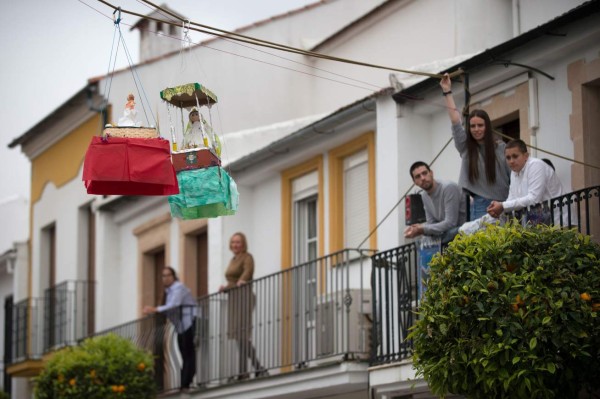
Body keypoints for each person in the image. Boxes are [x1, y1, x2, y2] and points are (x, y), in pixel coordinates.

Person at [440, 74, 511, 220]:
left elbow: (514, 175)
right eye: (472, 126)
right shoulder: (466, 146)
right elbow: (455, 121)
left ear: (487, 126)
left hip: (505, 203)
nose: (476, 129)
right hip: (481, 205)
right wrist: (447, 91)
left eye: (480, 125)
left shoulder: (501, 147)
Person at [460, 139, 565, 233]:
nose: (511, 161)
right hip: (540, 225)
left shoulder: (536, 165)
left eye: (515, 156)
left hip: (559, 221)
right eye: (508, 157)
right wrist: (498, 209)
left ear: (526, 156)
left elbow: (534, 198)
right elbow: (512, 199)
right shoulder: (514, 173)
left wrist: (502, 206)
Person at [219, 232, 266, 380]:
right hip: (234, 298)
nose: (235, 245)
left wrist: (242, 280)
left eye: (238, 242)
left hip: (244, 296)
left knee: (242, 334)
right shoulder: (233, 259)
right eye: (233, 242)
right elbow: (232, 280)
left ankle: (253, 368)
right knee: (238, 336)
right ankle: (248, 370)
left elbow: (248, 271)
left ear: (243, 243)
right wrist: (225, 288)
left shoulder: (247, 257)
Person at [143, 266, 197, 390]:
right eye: (163, 276)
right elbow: (169, 308)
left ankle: (185, 383)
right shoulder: (169, 291)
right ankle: (185, 382)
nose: (165, 278)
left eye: (168, 275)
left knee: (188, 352)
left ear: (174, 276)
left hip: (189, 321)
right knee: (184, 352)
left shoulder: (179, 288)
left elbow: (174, 305)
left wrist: (154, 309)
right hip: (181, 325)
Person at [404, 161, 467, 245]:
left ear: (431, 173)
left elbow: (451, 223)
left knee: (431, 238)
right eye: (418, 176)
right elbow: (431, 223)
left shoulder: (448, 187)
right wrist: (416, 229)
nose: (422, 178)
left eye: (424, 173)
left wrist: (422, 229)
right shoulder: (424, 195)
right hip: (447, 235)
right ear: (414, 182)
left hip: (463, 232)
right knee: (421, 242)